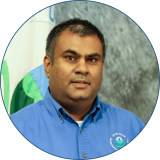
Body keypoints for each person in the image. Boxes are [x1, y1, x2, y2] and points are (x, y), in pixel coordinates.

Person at [10, 18, 145, 159]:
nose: (82, 69)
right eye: (71, 58)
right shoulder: (20, 126)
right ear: (48, 66)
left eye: (92, 60)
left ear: (102, 68)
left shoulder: (132, 127)